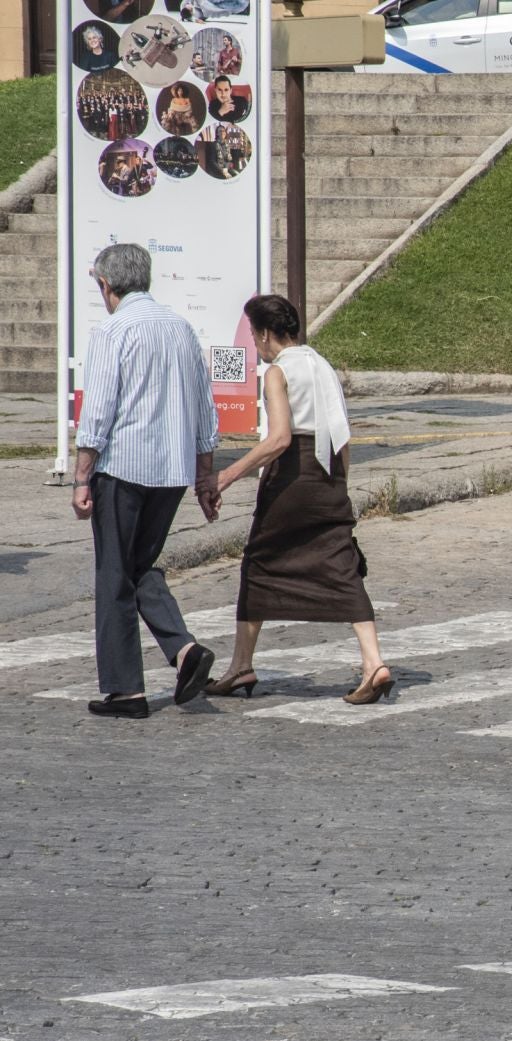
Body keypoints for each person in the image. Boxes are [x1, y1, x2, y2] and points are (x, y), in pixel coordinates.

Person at [206, 295, 393, 705]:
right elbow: (343, 437)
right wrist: (338, 488)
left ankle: (241, 665)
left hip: (291, 477)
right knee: (341, 564)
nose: (256, 344)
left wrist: (227, 475)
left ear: (266, 333)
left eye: (256, 336)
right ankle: (374, 663)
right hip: (328, 475)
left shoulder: (278, 371)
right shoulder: (322, 365)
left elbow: (279, 439)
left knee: (259, 563)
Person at [70, 243, 220, 720]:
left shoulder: (112, 330)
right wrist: (204, 474)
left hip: (124, 468)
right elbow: (204, 408)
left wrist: (81, 475)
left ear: (105, 286)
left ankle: (125, 690)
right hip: (171, 472)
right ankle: (183, 651)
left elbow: (98, 412)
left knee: (115, 574)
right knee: (140, 565)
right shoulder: (180, 329)